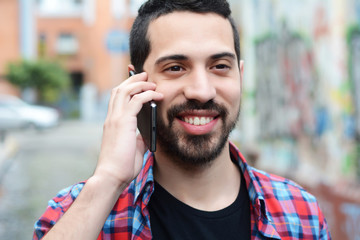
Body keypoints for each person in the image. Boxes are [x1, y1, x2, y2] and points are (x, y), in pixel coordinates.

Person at [33, 0, 331, 239]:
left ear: (240, 76)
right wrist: (109, 179)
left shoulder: (299, 212)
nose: (202, 91)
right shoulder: (80, 210)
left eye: (219, 66)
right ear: (134, 84)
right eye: (176, 67)